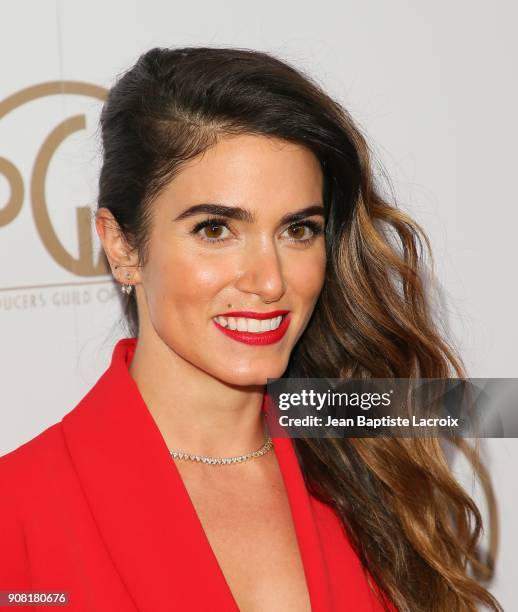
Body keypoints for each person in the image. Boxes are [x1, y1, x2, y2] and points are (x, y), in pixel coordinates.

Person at [0, 47, 502, 612]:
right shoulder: (17, 513)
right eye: (215, 229)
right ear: (123, 247)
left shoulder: (372, 465)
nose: (268, 281)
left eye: (299, 230)